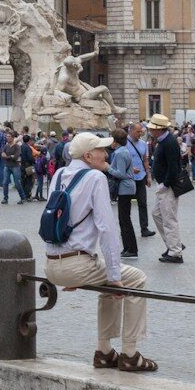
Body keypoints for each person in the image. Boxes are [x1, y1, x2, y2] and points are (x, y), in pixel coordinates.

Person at [40, 131, 155, 372]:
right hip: (76, 266)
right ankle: (130, 353)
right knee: (134, 279)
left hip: (52, 265)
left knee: (109, 281)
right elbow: (107, 230)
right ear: (89, 155)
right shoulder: (95, 177)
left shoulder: (60, 174)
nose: (107, 154)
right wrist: (113, 277)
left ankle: (104, 352)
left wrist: (72, 270)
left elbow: (51, 221)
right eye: (102, 150)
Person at [147, 113, 185, 262]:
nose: (150, 131)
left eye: (152, 129)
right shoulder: (164, 141)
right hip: (163, 185)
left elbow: (173, 167)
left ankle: (175, 252)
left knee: (169, 219)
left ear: (159, 129)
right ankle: (173, 244)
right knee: (157, 214)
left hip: (167, 186)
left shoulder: (169, 142)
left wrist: (165, 184)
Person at [105, 122, 143, 259]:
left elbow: (120, 173)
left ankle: (131, 249)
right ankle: (128, 247)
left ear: (115, 141)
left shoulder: (120, 153)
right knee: (124, 219)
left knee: (124, 220)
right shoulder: (123, 151)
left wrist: (107, 167)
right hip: (127, 187)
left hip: (125, 188)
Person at [121, 124, 155, 237]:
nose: (140, 134)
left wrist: (148, 175)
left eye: (141, 132)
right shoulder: (124, 143)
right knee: (126, 205)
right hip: (128, 178)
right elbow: (120, 160)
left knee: (143, 203)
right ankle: (126, 230)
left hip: (140, 177)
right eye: (138, 132)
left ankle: (144, 229)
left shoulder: (143, 144)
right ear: (131, 131)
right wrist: (130, 169)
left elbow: (145, 160)